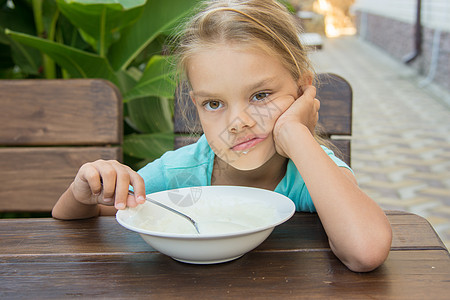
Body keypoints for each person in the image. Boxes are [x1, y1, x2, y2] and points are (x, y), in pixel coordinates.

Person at [52, 0, 392, 272]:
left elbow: (365, 251)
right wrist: (84, 190)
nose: (238, 122)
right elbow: (76, 217)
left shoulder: (312, 171)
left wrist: (296, 134)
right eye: (214, 103)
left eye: (260, 96)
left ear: (302, 91)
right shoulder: (180, 174)